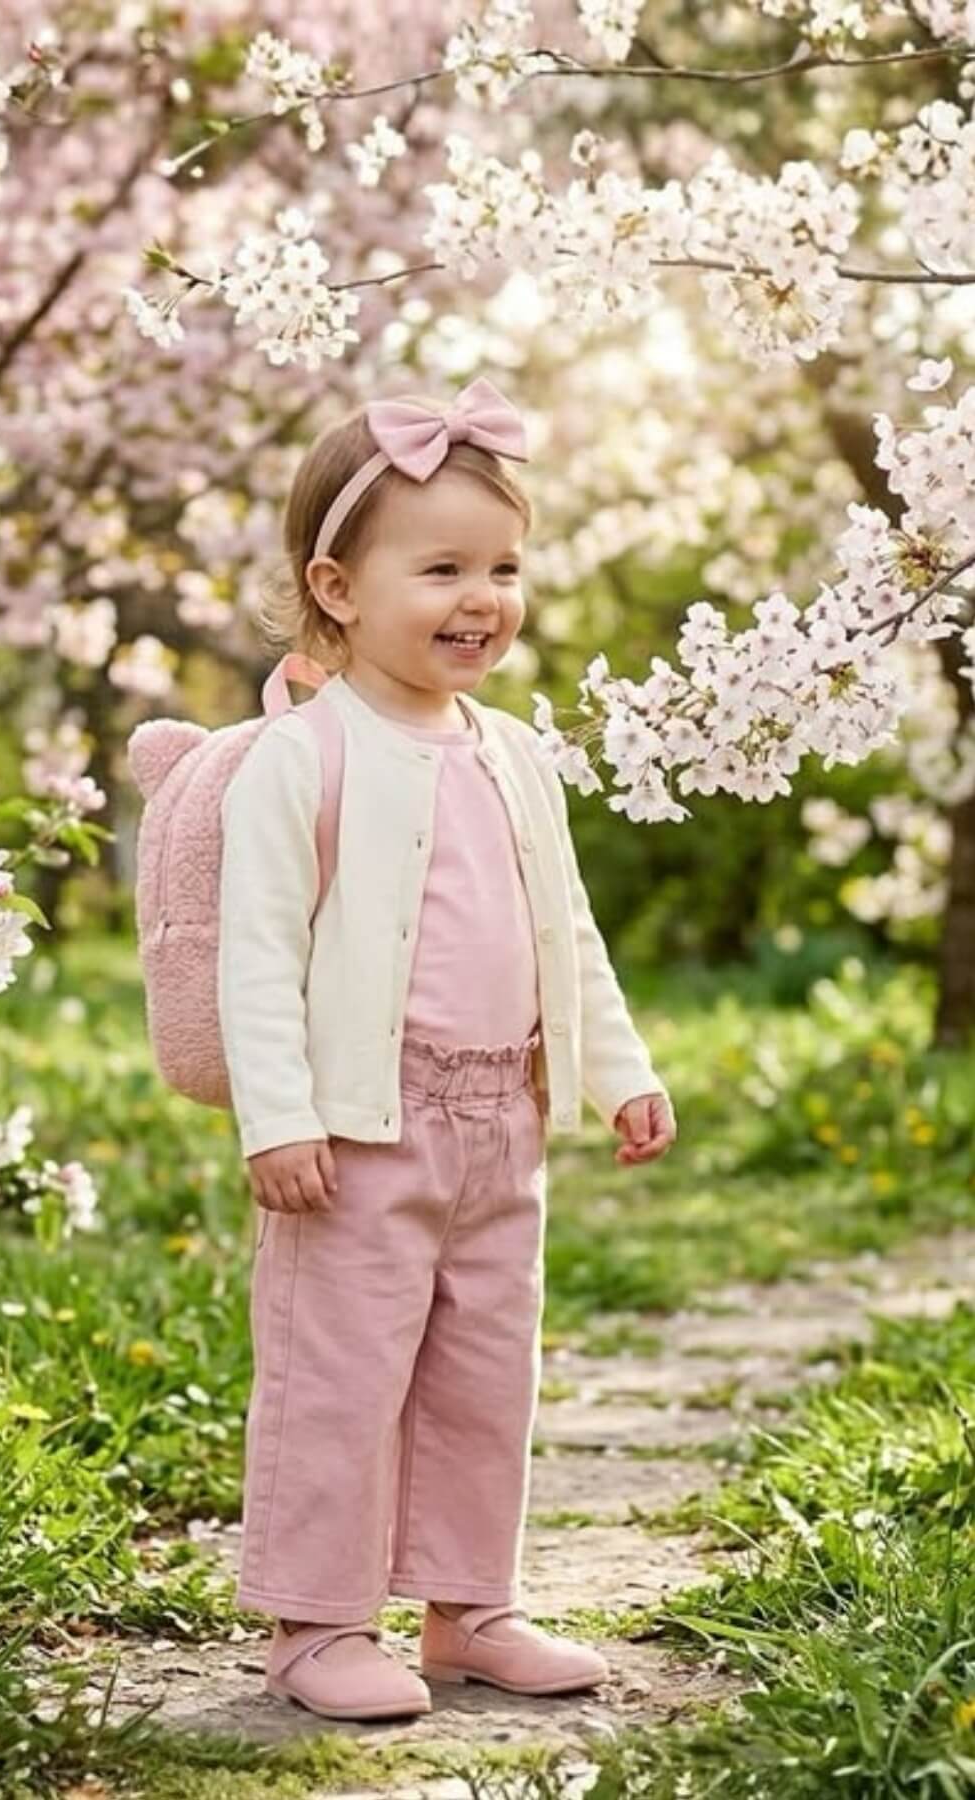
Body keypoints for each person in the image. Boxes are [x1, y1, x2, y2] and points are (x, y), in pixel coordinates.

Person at [216, 377, 677, 1723]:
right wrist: (275, 1117)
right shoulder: (299, 759)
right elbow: (256, 955)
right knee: (340, 1379)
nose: (482, 597)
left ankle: (470, 1608)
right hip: (359, 1136)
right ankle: (315, 1626)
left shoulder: (515, 754)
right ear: (338, 588)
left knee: (486, 1374)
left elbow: (564, 930)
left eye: (503, 567)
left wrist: (619, 1069)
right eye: (442, 569)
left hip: (502, 1129)